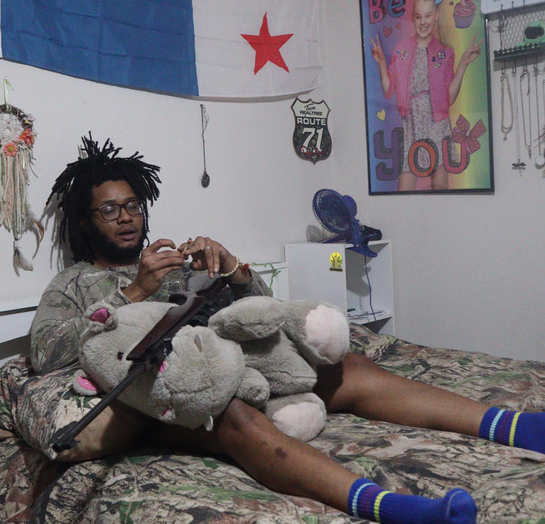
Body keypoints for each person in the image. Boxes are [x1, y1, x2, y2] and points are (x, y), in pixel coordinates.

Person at [30, 134, 543, 524]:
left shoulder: (172, 262)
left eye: (132, 205)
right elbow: (45, 353)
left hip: (240, 363)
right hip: (171, 394)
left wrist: (233, 270)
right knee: (233, 416)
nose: (126, 217)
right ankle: (392, 508)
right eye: (109, 210)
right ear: (86, 221)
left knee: (347, 366)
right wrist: (136, 291)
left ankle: (519, 428)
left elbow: (264, 314)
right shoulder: (74, 283)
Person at [370, 0, 484, 191]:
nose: (423, 22)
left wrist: (463, 64)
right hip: (410, 123)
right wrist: (381, 63)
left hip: (436, 122)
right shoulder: (401, 49)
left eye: (428, 16)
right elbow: (388, 90)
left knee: (439, 186)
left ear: (436, 16)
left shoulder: (445, 51)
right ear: (413, 18)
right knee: (404, 189)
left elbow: (449, 98)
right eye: (418, 17)